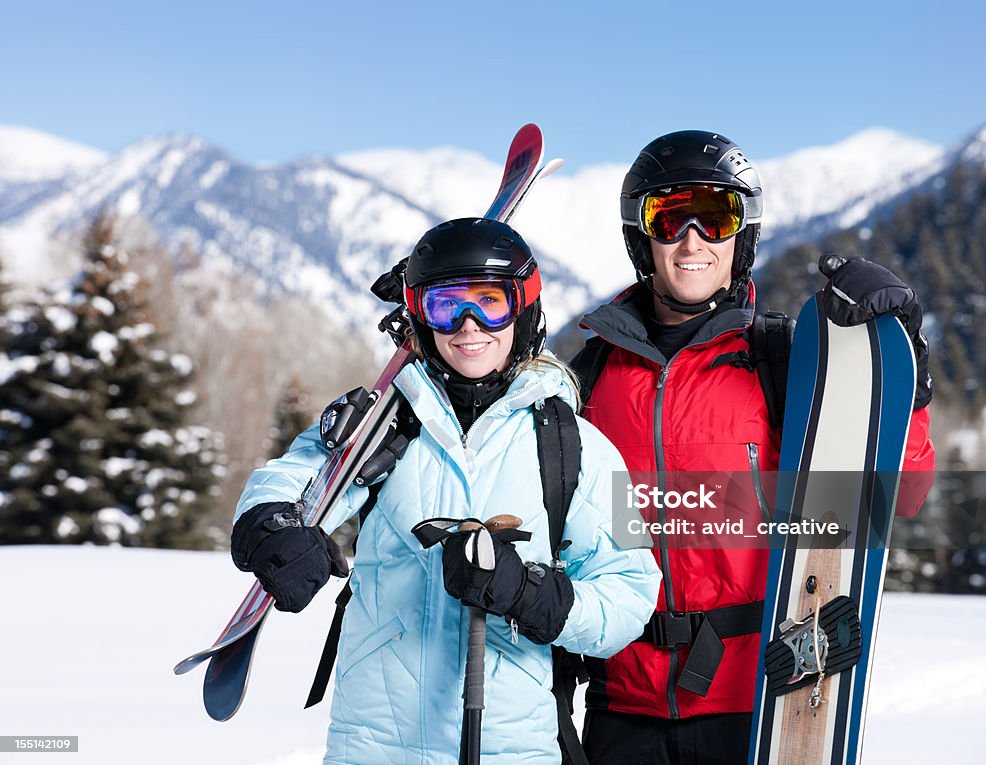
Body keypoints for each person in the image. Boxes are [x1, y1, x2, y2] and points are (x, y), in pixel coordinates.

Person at [229, 217, 662, 765]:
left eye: (490, 302)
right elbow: (290, 476)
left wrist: (528, 594)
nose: (468, 324)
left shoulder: (579, 444)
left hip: (511, 749)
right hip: (372, 745)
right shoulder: (381, 420)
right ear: (419, 315)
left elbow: (632, 591)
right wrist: (273, 526)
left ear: (523, 309)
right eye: (445, 305)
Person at [570, 131, 936, 764]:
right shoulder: (591, 373)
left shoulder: (780, 359)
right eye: (669, 217)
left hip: (757, 703)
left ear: (742, 236)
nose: (692, 240)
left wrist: (906, 373)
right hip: (620, 709)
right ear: (641, 235)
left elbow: (902, 491)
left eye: (716, 218)